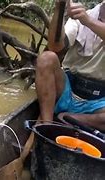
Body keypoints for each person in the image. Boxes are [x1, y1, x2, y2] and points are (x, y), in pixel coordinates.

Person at [35, 0, 105, 131]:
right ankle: (46, 124)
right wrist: (59, 9)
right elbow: (56, 46)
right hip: (68, 89)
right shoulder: (80, 17)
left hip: (99, 101)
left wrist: (88, 21)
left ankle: (72, 117)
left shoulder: (85, 17)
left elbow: (88, 21)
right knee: (46, 58)